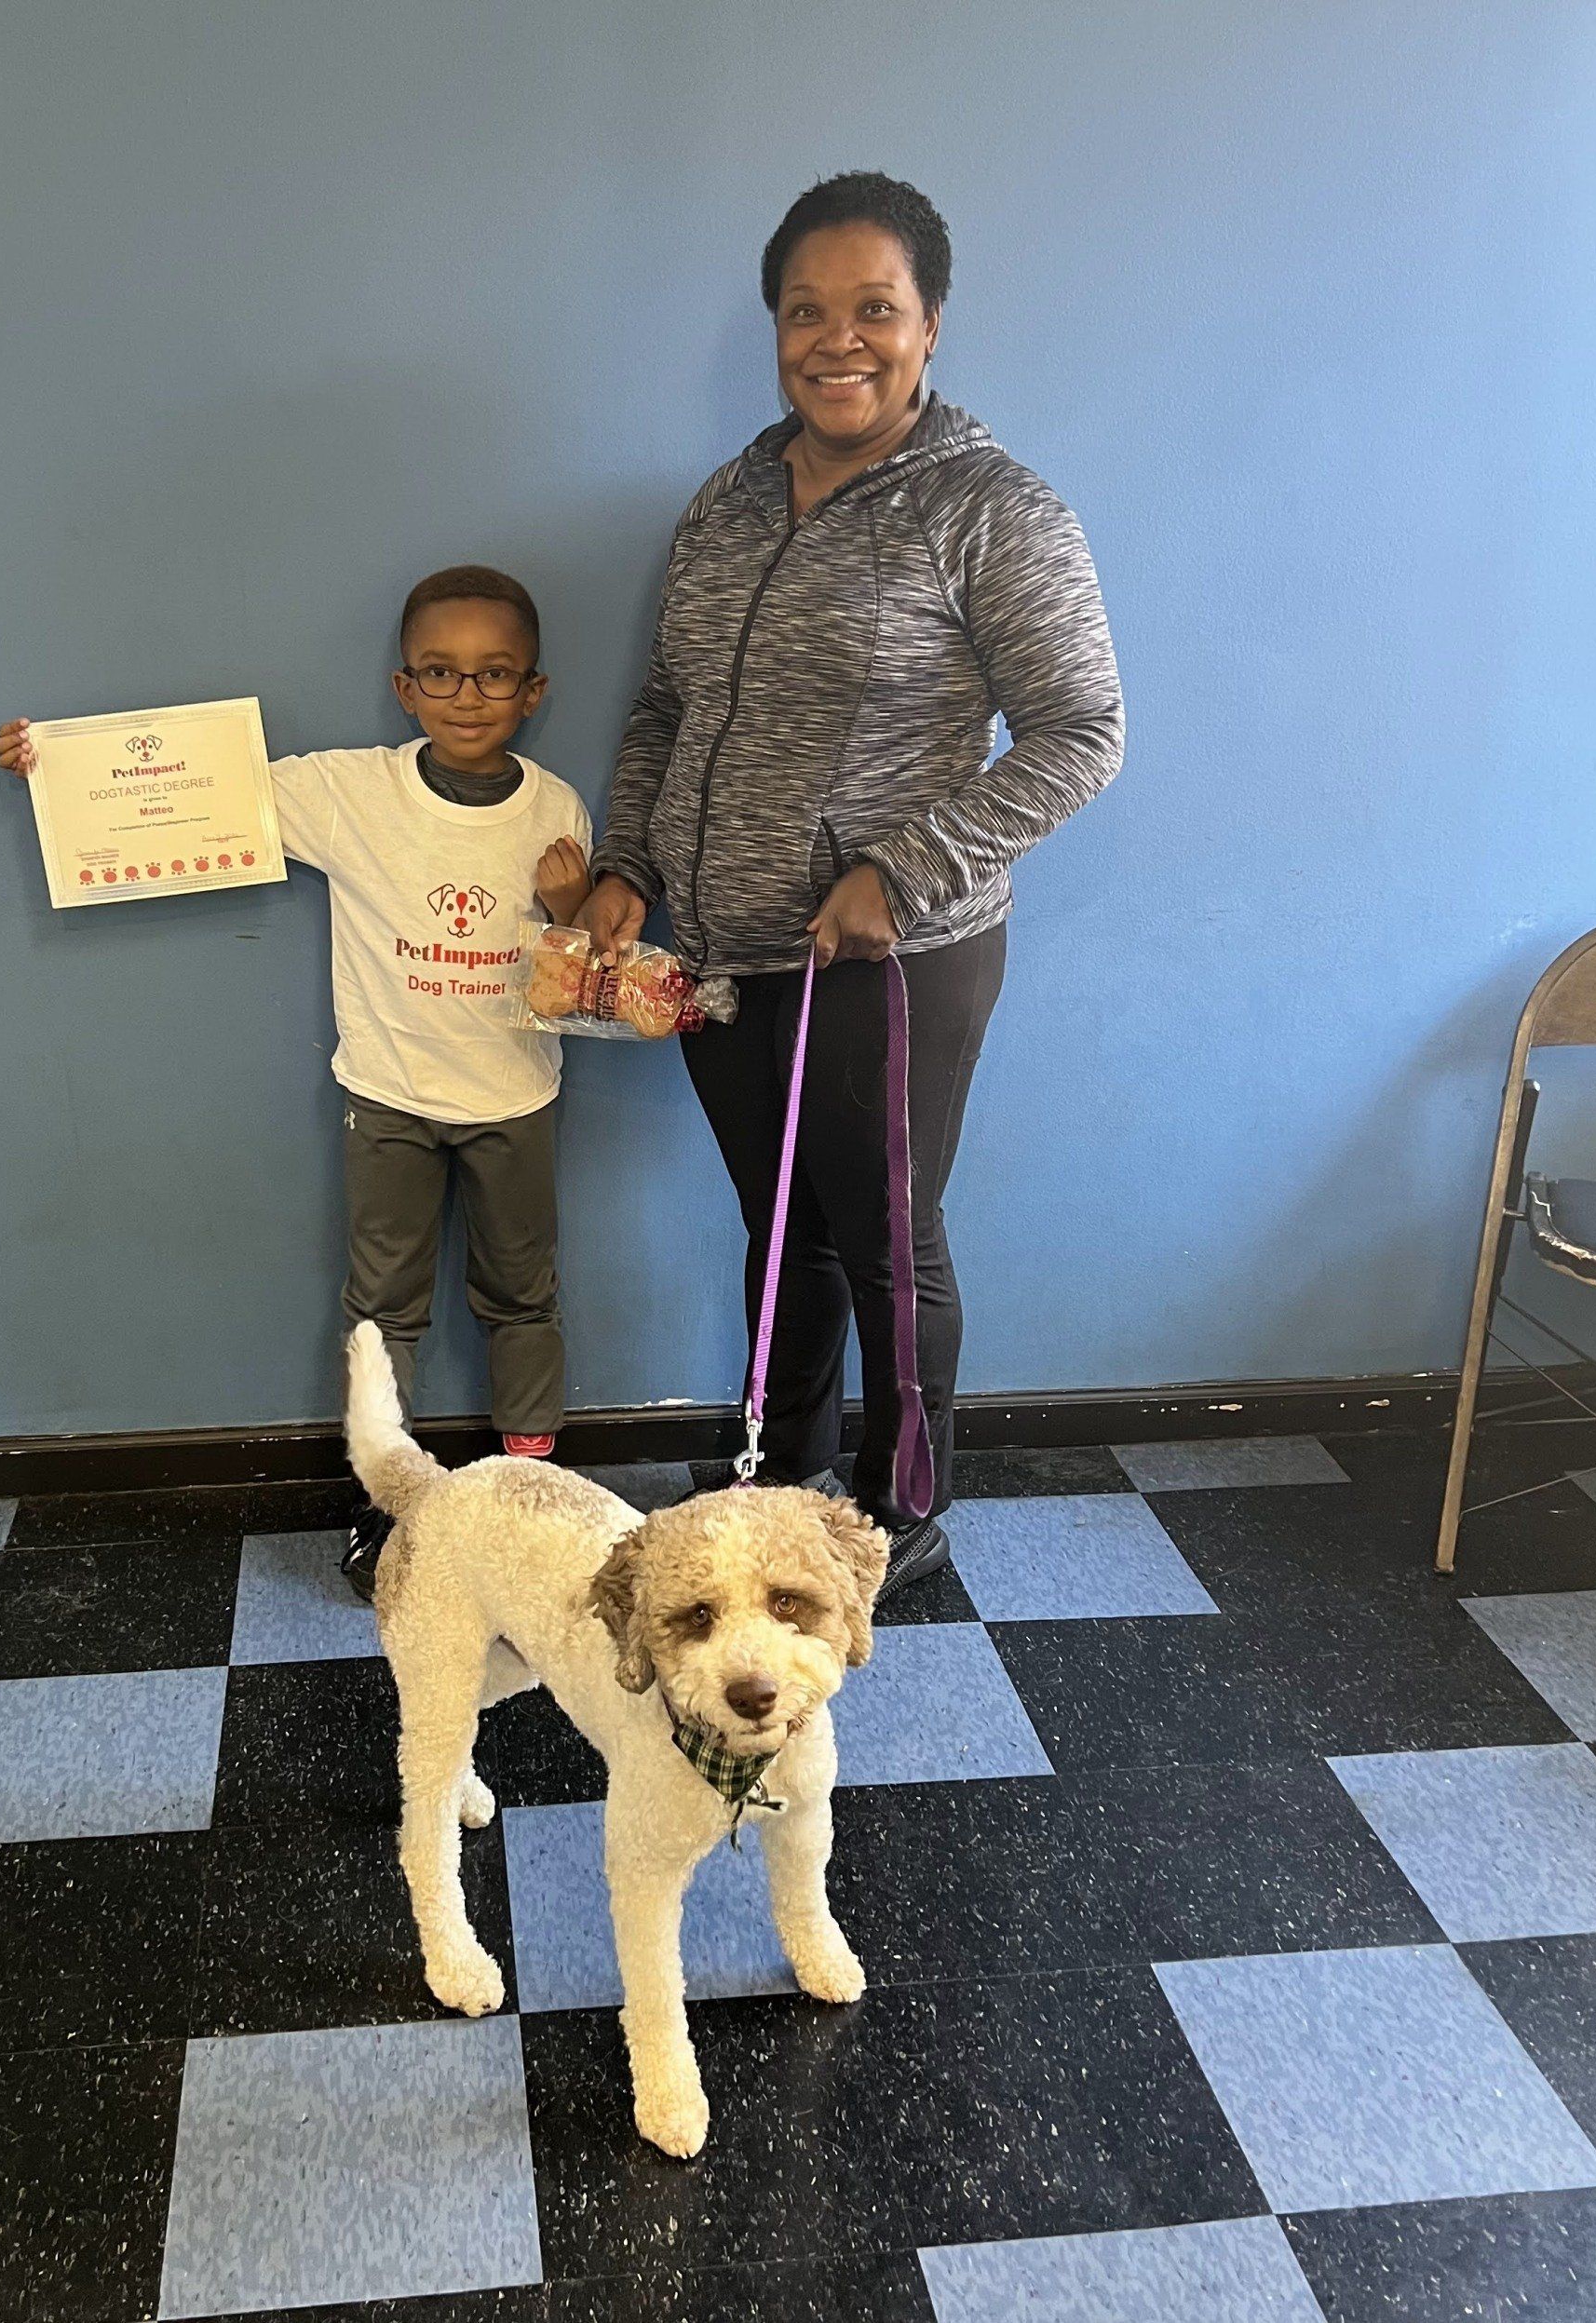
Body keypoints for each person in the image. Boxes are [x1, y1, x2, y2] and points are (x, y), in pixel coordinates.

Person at [577, 172, 1125, 1599]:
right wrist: (632, 864)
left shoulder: (992, 508)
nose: (840, 339)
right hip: (727, 950)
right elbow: (665, 704)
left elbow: (1083, 732)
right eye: (807, 311)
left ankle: (897, 1502)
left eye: (874, 310)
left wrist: (903, 866)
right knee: (786, 1226)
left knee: (888, 1238)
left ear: (928, 325)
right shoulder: (731, 497)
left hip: (892, 955)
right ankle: (781, 1461)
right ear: (774, 326)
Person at [0, 565, 593, 1600]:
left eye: (494, 675)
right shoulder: (350, 789)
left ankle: (531, 1496)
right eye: (441, 674)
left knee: (522, 1295)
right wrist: (53, 765)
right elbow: (192, 792)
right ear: (404, 689)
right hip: (390, 1098)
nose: (467, 695)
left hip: (513, 1101)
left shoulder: (556, 809)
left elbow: (579, 973)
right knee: (383, 1306)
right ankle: (385, 1509)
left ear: (533, 692)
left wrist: (575, 900)